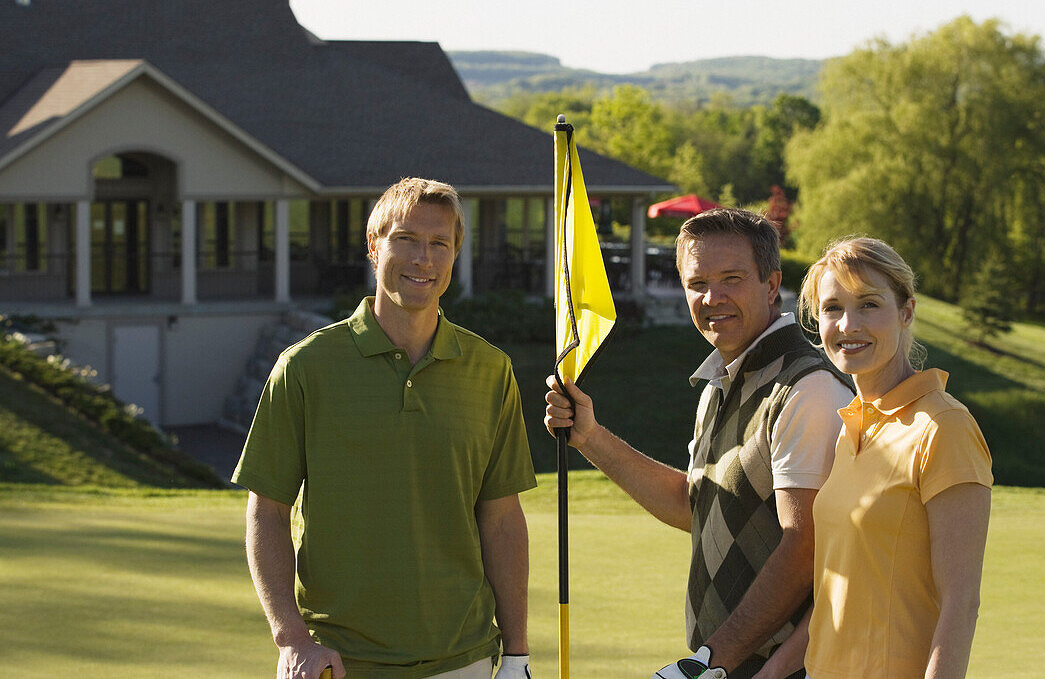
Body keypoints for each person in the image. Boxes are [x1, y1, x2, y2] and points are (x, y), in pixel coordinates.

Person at [233, 178, 537, 679]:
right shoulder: (306, 366)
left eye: (440, 244)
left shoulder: (490, 369)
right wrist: (291, 639)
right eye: (406, 239)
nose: (424, 259)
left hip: (466, 659)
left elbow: (502, 517)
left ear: (455, 254)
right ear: (375, 248)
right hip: (339, 661)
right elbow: (267, 511)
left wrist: (518, 654)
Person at [544, 208, 854, 679]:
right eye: (697, 283)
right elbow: (694, 505)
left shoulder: (806, 388)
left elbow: (804, 544)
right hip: (729, 665)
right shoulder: (720, 383)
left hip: (784, 669)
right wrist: (590, 438)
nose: (713, 297)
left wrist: (712, 658)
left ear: (771, 286)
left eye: (732, 278)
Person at [757, 237, 993, 679]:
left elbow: (961, 604)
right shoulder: (851, 428)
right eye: (832, 308)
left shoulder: (945, 427)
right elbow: (840, 586)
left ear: (906, 312)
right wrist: (777, 670)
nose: (848, 325)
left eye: (868, 304)